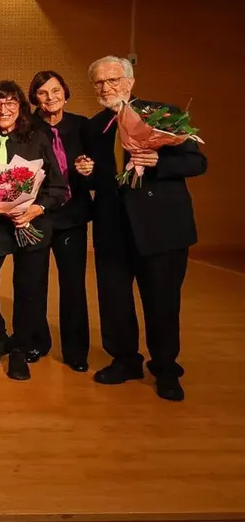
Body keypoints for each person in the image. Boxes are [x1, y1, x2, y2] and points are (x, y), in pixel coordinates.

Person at [84, 55, 206, 401]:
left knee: (162, 303)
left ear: (130, 82)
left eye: (113, 80)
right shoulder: (94, 127)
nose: (106, 88)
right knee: (115, 301)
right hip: (112, 228)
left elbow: (197, 161)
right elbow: (98, 178)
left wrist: (158, 161)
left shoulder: (162, 115)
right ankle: (125, 360)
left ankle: (166, 368)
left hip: (161, 229)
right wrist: (85, 171)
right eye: (99, 82)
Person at [0, 80, 67, 382]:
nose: (3, 109)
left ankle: (21, 348)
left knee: (29, 290)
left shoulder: (36, 138)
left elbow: (58, 188)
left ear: (21, 107)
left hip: (29, 225)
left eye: (11, 102)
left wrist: (36, 208)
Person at [29, 69, 95, 372]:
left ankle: (76, 350)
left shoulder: (82, 126)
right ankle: (36, 342)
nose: (50, 97)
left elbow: (98, 167)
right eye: (43, 92)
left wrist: (88, 169)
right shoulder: (26, 127)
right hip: (37, 214)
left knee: (73, 285)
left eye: (56, 91)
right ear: (35, 98)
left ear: (65, 94)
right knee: (34, 283)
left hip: (72, 215)